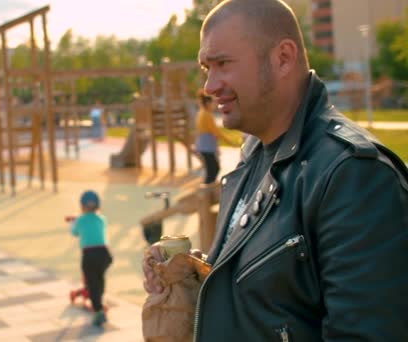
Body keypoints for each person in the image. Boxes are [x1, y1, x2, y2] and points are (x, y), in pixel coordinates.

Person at [143, 1, 408, 341]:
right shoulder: (255, 152)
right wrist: (193, 280)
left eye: (223, 64)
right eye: (206, 68)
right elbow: (276, 294)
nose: (209, 85)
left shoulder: (353, 176)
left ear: (283, 57)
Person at [69, 190, 113, 327]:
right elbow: (96, 226)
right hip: (105, 254)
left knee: (92, 283)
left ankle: (98, 311)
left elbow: (74, 232)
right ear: (98, 206)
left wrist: (74, 221)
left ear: (81, 206)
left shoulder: (80, 219)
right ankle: (99, 299)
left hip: (89, 254)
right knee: (99, 278)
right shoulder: (102, 218)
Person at [194, 90, 238, 184]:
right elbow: (216, 132)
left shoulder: (201, 113)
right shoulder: (206, 115)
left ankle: (208, 188)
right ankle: (207, 189)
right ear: (208, 103)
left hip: (204, 145)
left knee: (212, 169)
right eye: (212, 103)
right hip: (206, 146)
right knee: (213, 169)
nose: (214, 105)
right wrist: (230, 142)